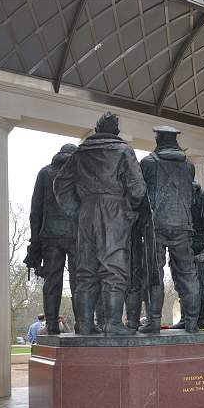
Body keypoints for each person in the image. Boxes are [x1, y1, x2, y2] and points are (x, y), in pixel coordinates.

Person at [54, 112, 146, 336]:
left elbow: (61, 183)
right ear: (116, 131)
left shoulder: (79, 153)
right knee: (114, 268)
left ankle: (84, 323)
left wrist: (76, 210)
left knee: (85, 270)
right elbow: (138, 189)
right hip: (114, 211)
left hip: (86, 211)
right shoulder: (123, 150)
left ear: (96, 130)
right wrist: (129, 209)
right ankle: (113, 323)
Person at [138, 126, 200, 334]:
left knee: (154, 273)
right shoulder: (189, 166)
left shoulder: (148, 163)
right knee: (188, 274)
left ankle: (154, 321)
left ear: (159, 139)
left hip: (155, 226)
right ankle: (192, 321)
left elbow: (139, 193)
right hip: (183, 225)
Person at [24, 144, 78, 335]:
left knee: (52, 281)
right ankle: (82, 322)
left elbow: (35, 211)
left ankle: (52, 324)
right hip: (76, 235)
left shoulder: (45, 173)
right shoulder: (81, 173)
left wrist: (35, 240)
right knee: (79, 281)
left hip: (50, 235)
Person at [171, 180, 204, 329]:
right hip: (199, 245)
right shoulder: (203, 200)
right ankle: (198, 319)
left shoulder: (190, 200)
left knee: (185, 282)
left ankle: (189, 318)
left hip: (188, 245)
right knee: (199, 283)